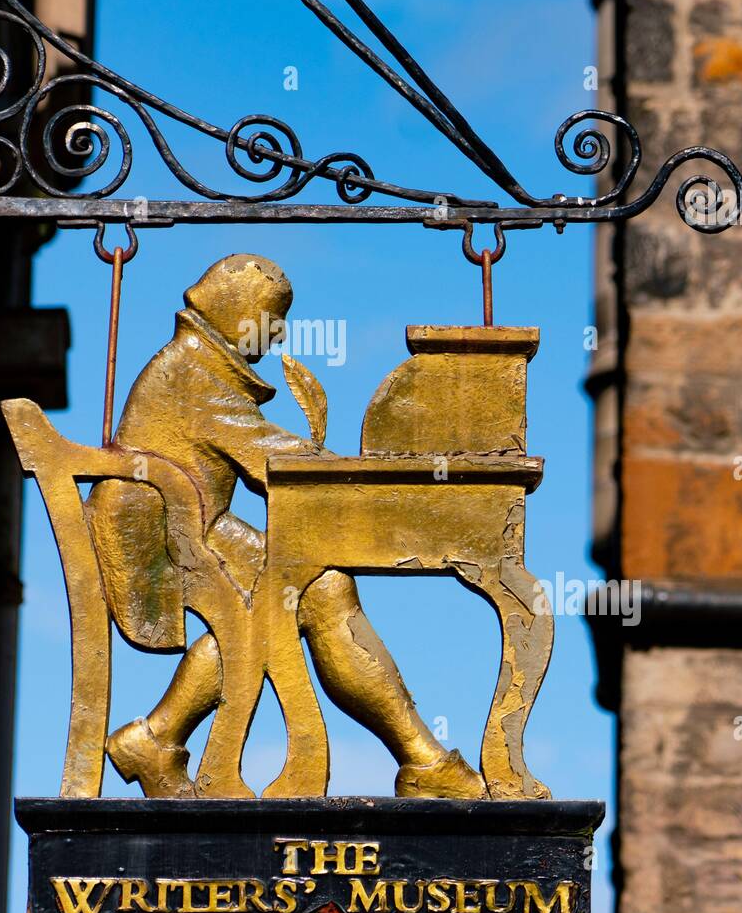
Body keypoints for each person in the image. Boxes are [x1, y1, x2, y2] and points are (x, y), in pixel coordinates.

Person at [86, 253, 486, 800]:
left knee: (312, 591)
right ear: (234, 312)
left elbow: (265, 450)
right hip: (161, 536)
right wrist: (367, 477)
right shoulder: (191, 373)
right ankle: (423, 760)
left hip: (190, 525)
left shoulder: (199, 368)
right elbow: (268, 458)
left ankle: (156, 737)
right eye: (271, 319)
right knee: (318, 592)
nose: (277, 335)